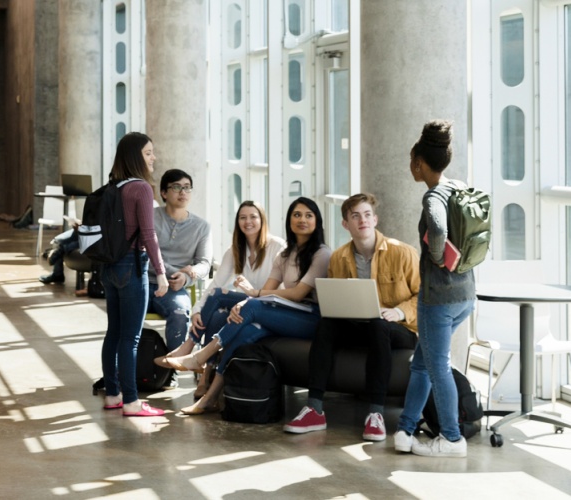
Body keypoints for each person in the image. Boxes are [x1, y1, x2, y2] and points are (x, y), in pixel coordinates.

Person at [163, 197, 330, 414]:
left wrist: (252, 296)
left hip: (311, 317)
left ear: (317, 221)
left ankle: (200, 357)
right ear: (289, 220)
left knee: (250, 306)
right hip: (285, 312)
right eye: (297, 215)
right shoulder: (285, 255)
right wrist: (247, 300)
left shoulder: (322, 253)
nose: (302, 220)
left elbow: (298, 294)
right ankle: (208, 398)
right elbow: (266, 292)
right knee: (243, 329)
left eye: (309, 215)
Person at [283, 193, 421, 441]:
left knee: (379, 325)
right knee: (326, 324)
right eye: (355, 216)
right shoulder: (339, 257)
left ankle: (375, 414)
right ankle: (314, 409)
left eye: (367, 215)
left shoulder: (403, 253)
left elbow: (424, 298)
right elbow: (337, 299)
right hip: (360, 326)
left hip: (400, 328)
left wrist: (398, 311)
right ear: (345, 224)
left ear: (375, 219)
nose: (362, 220)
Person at [394, 119, 477, 457]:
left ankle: (452, 439)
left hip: (438, 298)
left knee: (438, 365)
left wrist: (436, 257)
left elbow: (439, 230)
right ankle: (405, 430)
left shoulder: (432, 197)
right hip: (465, 294)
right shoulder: (459, 187)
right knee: (422, 363)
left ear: (418, 162)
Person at [156, 201, 284, 396]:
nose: (247, 221)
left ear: (262, 220)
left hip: (268, 305)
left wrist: (248, 300)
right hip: (247, 303)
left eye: (253, 217)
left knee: (219, 301)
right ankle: (204, 377)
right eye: (243, 217)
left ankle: (190, 347)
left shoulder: (277, 246)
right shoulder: (235, 250)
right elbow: (215, 284)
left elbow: (276, 290)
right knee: (216, 313)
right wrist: (197, 311)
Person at [98, 131, 171, 418]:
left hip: (109, 266)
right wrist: (161, 273)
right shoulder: (141, 188)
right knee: (131, 338)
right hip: (133, 265)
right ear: (135, 157)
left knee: (114, 333)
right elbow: (149, 235)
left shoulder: (114, 186)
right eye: (148, 153)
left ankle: (113, 394)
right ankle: (131, 401)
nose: (154, 158)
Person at [147, 168, 211, 352]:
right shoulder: (149, 217)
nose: (183, 192)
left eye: (187, 187)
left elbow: (205, 263)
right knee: (125, 314)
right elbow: (144, 255)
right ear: (163, 193)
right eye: (176, 187)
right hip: (143, 281)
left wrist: (186, 278)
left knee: (180, 312)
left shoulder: (202, 227)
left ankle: (173, 368)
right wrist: (177, 271)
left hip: (174, 287)